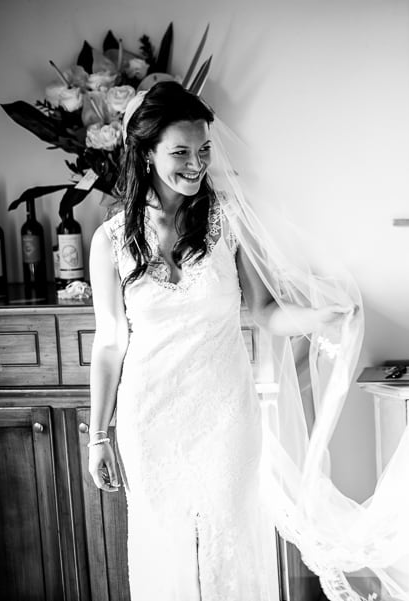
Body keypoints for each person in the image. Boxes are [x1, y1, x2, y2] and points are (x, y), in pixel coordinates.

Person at [86, 81, 354, 600]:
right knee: (164, 544)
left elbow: (266, 311)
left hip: (225, 413)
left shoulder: (227, 222)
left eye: (204, 150)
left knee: (226, 540)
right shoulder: (110, 240)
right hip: (149, 414)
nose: (196, 164)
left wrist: (319, 317)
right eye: (181, 152)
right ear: (145, 155)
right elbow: (109, 342)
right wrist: (98, 434)